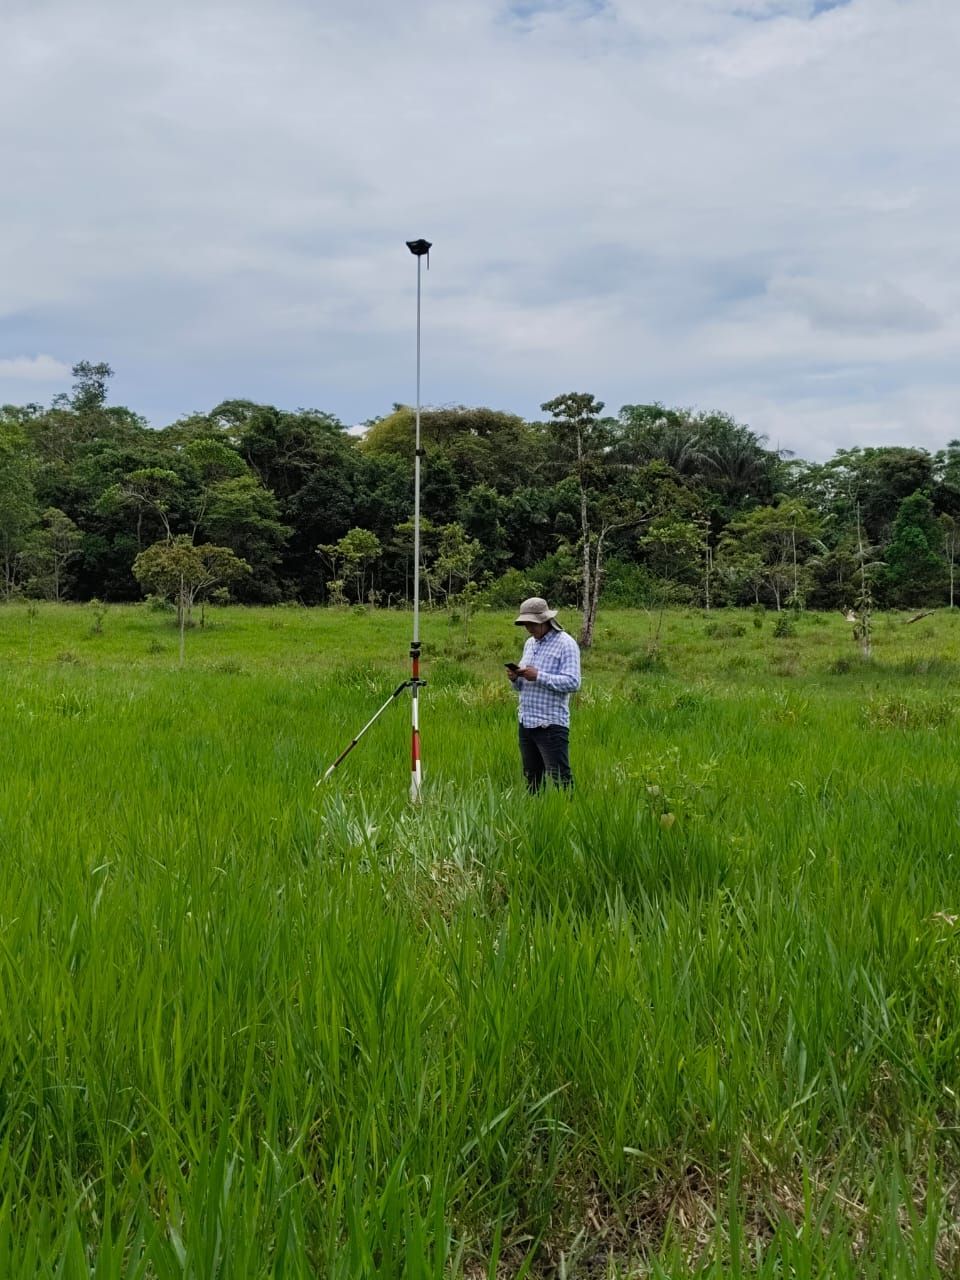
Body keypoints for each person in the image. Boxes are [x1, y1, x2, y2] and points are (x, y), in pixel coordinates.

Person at [507, 597, 581, 793]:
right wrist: (516, 678)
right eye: (525, 624)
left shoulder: (566, 644)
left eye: (532, 623)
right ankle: (536, 817)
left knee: (560, 780)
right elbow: (522, 687)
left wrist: (538, 676)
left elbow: (573, 682)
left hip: (550, 724)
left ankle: (569, 815)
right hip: (526, 721)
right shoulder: (530, 644)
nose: (529, 628)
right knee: (532, 780)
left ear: (545, 620)